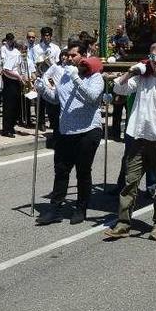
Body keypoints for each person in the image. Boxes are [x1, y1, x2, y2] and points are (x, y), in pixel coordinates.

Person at [104, 42, 156, 242]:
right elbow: (120, 88)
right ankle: (123, 223)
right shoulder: (142, 78)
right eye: (152, 57)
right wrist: (131, 71)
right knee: (130, 182)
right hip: (137, 138)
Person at [34, 41, 105, 225]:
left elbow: (92, 98)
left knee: (82, 171)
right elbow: (57, 99)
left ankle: (81, 208)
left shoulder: (95, 77)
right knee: (61, 170)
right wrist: (43, 89)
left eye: (74, 55)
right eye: (68, 55)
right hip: (66, 131)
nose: (69, 58)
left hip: (88, 130)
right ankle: (55, 209)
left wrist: (76, 78)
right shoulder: (65, 75)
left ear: (83, 55)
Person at [0, 33, 23, 137]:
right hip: (10, 82)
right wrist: (19, 77)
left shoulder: (17, 53)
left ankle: (11, 126)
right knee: (9, 106)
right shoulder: (11, 53)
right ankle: (6, 129)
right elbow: (6, 69)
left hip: (17, 82)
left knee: (16, 106)